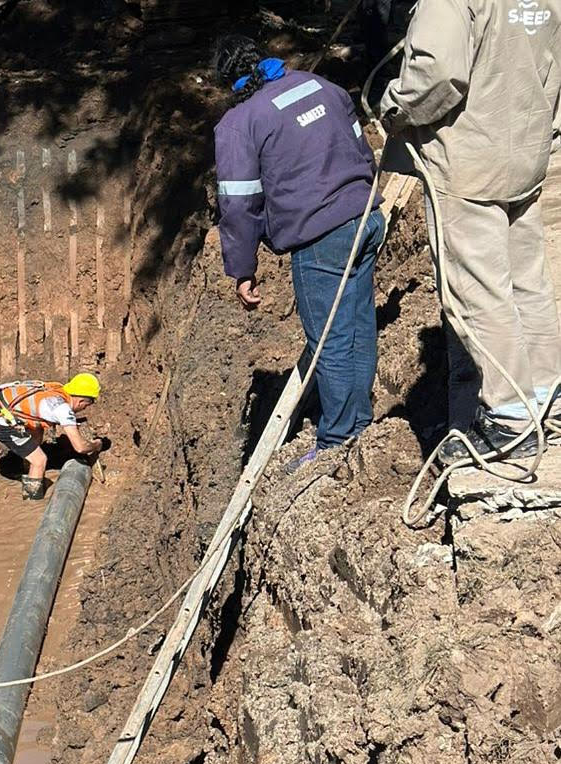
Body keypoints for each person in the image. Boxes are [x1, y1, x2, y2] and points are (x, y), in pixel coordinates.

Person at [378, 0, 561, 462]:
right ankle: (549, 397)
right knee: (527, 282)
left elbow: (439, 73)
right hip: (526, 151)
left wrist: (396, 106)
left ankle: (510, 417)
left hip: (469, 162)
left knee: (478, 291)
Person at [212, 36, 385, 471]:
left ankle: (337, 439)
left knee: (330, 339)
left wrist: (243, 269)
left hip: (321, 236)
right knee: (358, 325)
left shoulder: (239, 123)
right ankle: (359, 422)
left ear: (230, 82)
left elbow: (238, 203)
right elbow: (361, 148)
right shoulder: (319, 85)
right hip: (365, 216)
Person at [0, 373, 105, 500]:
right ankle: (31, 499)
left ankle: (27, 469)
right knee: (39, 460)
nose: (84, 409)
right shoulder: (62, 410)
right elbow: (80, 447)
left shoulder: (57, 388)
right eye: (86, 406)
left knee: (38, 430)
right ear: (81, 401)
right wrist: (96, 445)